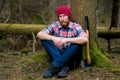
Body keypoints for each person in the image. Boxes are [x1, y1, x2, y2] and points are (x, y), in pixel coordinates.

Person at [37, 5, 88, 78]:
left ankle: (53, 67)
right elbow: (39, 34)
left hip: (71, 55)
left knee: (77, 43)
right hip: (58, 53)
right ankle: (65, 67)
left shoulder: (76, 26)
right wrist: (53, 38)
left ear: (69, 16)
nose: (62, 19)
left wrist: (67, 40)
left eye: (64, 16)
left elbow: (85, 39)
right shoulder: (55, 25)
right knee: (45, 39)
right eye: (60, 16)